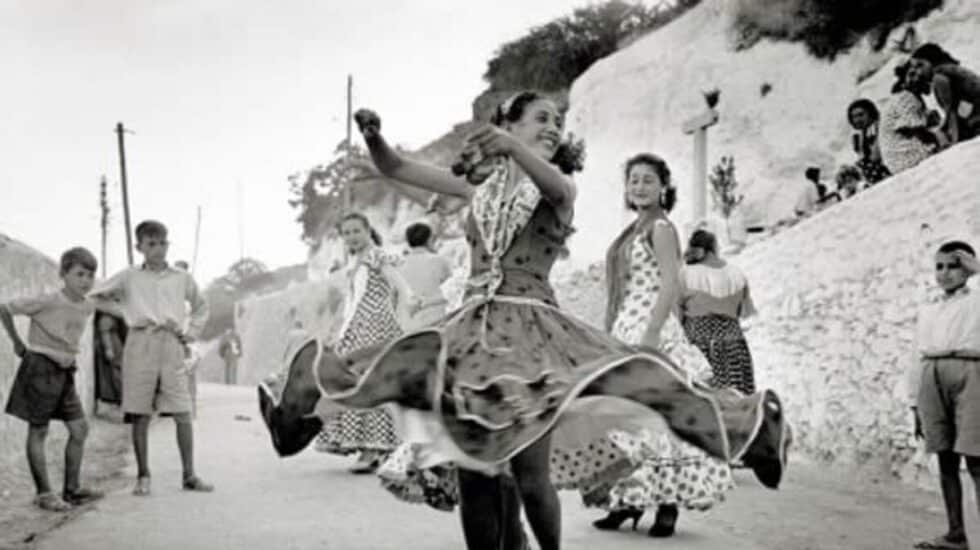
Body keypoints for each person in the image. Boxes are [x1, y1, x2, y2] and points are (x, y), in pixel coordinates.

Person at [258, 92, 789, 550]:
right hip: (471, 335)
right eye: (540, 118)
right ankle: (297, 415)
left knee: (533, 471)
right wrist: (374, 137)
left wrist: (513, 147)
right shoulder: (480, 191)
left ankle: (753, 431)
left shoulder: (558, 187)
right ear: (507, 123)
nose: (553, 127)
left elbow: (560, 191)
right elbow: (397, 169)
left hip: (531, 336)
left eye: (558, 121)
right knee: (472, 470)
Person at [586, 155, 735, 538]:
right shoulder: (633, 230)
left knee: (659, 419)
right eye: (633, 180)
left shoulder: (662, 228)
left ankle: (667, 506)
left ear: (664, 187)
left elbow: (671, 282)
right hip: (626, 327)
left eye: (648, 181)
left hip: (650, 328)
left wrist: (652, 333)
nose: (639, 187)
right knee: (625, 419)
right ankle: (628, 499)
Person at [89, 220, 212, 497]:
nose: (158, 249)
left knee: (182, 411)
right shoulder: (129, 277)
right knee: (140, 411)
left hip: (170, 342)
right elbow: (94, 296)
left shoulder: (181, 277)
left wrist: (190, 333)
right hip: (140, 341)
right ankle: (143, 476)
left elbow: (202, 306)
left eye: (162, 243)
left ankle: (189, 474)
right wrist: (124, 311)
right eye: (151, 244)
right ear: (140, 247)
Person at [1, 247, 105, 511]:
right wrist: (17, 342)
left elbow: (112, 303)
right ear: (63, 274)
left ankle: (72, 489)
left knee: (79, 429)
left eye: (90, 275)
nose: (85, 280)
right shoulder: (49, 300)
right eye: (79, 274)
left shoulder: (88, 305)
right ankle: (44, 493)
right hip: (40, 368)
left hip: (65, 372)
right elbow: (5, 309)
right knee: (39, 430)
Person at [313, 212, 417, 474]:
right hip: (357, 328)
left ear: (368, 230)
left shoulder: (374, 255)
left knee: (368, 385)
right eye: (346, 233)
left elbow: (397, 281)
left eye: (356, 231)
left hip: (376, 328)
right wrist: (336, 331)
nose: (351, 237)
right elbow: (351, 302)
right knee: (352, 384)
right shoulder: (355, 261)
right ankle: (370, 448)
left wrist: (410, 297)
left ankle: (374, 449)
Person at [907, 241, 980, 550]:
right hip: (931, 374)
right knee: (945, 457)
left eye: (953, 265)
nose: (945, 273)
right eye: (939, 267)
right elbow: (917, 354)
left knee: (976, 458)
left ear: (968, 268)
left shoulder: (977, 302)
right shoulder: (929, 308)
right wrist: (914, 402)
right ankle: (956, 534)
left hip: (970, 370)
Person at [680, 229, 758, 395]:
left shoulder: (685, 274)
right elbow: (744, 312)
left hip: (698, 345)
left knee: (704, 404)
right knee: (738, 403)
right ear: (714, 248)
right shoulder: (737, 274)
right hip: (734, 344)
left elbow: (676, 315)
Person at [908, 44, 980, 145]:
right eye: (915, 68)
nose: (919, 72)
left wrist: (955, 142)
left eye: (921, 65)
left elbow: (951, 112)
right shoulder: (950, 69)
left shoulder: (939, 78)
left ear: (932, 60)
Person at [880, 61, 940, 175]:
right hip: (905, 157)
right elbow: (917, 129)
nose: (917, 78)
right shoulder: (905, 98)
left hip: (897, 161)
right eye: (911, 75)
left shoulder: (909, 97)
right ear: (902, 81)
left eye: (919, 74)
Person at [399, 221, 452, 331]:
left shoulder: (399, 263)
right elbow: (447, 280)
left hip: (408, 320)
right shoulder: (439, 260)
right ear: (429, 240)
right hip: (435, 317)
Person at [846, 99, 891, 185]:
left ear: (870, 113)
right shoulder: (860, 135)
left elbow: (876, 155)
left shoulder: (879, 127)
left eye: (861, 115)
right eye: (854, 117)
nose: (857, 120)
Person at [94, 310, 126, 407]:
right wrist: (108, 348)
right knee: (116, 371)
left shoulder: (108, 316)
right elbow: (105, 333)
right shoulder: (107, 316)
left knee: (116, 372)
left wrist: (109, 348)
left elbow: (105, 333)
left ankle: (120, 397)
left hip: (114, 345)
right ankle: (119, 397)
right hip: (113, 345)